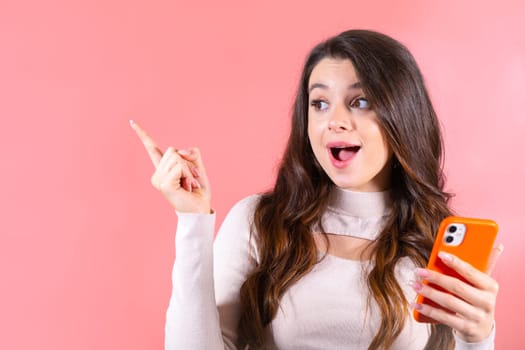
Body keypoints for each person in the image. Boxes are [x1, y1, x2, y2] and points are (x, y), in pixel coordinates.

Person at [130, 29, 503, 350]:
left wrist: (478, 338)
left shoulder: (437, 242)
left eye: (360, 102)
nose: (334, 121)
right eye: (319, 103)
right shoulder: (260, 221)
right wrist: (192, 221)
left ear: (401, 114)